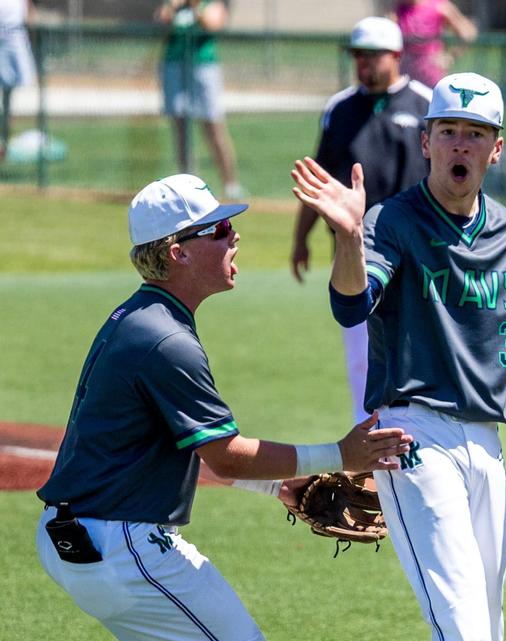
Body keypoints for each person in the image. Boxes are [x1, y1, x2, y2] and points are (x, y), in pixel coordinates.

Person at [35, 174, 412, 641]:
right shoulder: (167, 340)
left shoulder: (137, 318)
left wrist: (277, 485)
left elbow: (193, 448)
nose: (234, 235)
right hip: (121, 546)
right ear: (178, 253)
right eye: (216, 230)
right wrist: (340, 454)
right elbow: (224, 454)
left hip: (85, 541)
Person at [291, 71, 506, 641]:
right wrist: (350, 239)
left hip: (489, 446)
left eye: (475, 134)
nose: (459, 144)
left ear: (496, 149)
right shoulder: (392, 222)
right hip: (414, 437)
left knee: (487, 626)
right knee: (463, 627)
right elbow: (352, 308)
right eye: (447, 130)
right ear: (425, 142)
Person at [291, 16, 431, 424]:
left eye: (373, 55)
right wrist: (301, 239)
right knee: (359, 348)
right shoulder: (340, 108)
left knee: (418, 343)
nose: (364, 64)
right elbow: (320, 178)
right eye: (358, 56)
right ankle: (365, 432)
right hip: (355, 250)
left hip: (416, 249)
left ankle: (419, 424)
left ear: (396, 56)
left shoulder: (425, 103)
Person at [156, 0, 244, 199]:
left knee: (213, 127)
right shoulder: (175, 3)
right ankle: (189, 185)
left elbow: (212, 23)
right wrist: (174, 6)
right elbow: (162, 19)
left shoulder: (211, 4)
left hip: (203, 65)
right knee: (181, 129)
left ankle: (230, 184)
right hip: (174, 64)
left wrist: (195, 6)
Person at [392, 0, 477, 87]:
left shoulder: (439, 6)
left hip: (430, 73)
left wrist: (450, 57)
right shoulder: (400, 8)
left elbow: (468, 33)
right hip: (406, 71)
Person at [0, 0, 36, 162]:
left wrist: (31, 33)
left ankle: (7, 139)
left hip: (17, 37)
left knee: (18, 89)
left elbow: (29, 11)